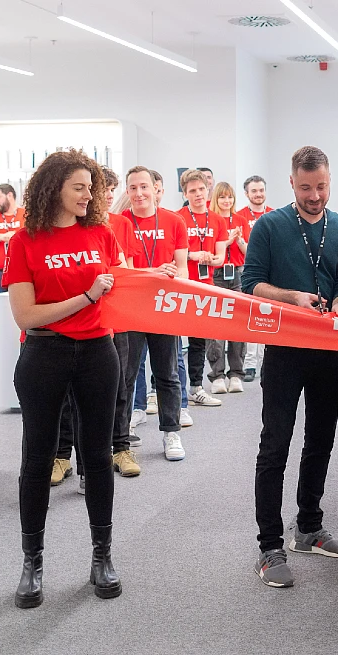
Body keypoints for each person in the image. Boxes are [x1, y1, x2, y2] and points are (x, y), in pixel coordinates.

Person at [4, 150, 125, 608]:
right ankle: (31, 562)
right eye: (80, 186)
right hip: (43, 352)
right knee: (38, 457)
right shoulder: (25, 241)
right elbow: (25, 313)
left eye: (91, 187)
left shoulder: (100, 232)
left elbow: (121, 281)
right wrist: (86, 296)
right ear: (55, 188)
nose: (89, 195)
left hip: (98, 351)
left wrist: (157, 278)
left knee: (97, 456)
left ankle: (102, 557)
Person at [243, 146, 338, 588]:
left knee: (321, 442)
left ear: (331, 181)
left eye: (322, 187)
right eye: (306, 187)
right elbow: (252, 283)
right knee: (275, 445)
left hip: (330, 350)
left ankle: (308, 527)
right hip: (285, 349)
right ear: (291, 183)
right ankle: (269, 546)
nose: (315, 195)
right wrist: (293, 297)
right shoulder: (269, 226)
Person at [54, 168, 142, 488]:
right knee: (68, 396)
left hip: (112, 321)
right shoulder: (65, 229)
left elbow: (126, 274)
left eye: (105, 189)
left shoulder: (117, 226)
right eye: (93, 188)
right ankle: (62, 455)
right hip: (73, 323)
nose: (101, 195)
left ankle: (121, 448)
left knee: (117, 388)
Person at [120, 166, 190, 461]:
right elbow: (121, 270)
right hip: (132, 309)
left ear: (155, 189)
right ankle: (120, 436)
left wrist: (182, 305)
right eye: (133, 188)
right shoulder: (120, 223)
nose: (139, 193)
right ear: (128, 191)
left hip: (165, 308)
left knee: (168, 374)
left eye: (144, 187)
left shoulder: (174, 222)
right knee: (126, 374)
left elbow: (183, 269)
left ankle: (170, 432)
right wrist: (153, 272)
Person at [177, 169, 228, 407]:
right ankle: (161, 389)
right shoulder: (177, 218)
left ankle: (196, 386)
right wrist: (194, 254)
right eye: (192, 191)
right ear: (185, 193)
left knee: (198, 340)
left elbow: (220, 257)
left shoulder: (217, 220)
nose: (197, 194)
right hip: (180, 284)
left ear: (208, 189)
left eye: (201, 190)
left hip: (206, 285)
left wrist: (211, 259)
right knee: (171, 340)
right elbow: (170, 251)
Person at [206, 181, 247, 394]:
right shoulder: (210, 220)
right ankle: (217, 375)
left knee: (238, 325)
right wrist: (227, 241)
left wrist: (237, 240)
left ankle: (236, 373)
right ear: (216, 199)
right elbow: (210, 250)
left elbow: (248, 251)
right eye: (222, 197)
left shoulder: (240, 219)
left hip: (237, 274)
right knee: (216, 327)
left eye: (230, 197)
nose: (226, 201)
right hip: (216, 274)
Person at [235, 175, 273, 382]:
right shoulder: (239, 217)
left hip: (272, 274)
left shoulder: (275, 215)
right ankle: (249, 364)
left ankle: (265, 361)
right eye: (254, 191)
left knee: (270, 318)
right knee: (251, 317)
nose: (258, 194)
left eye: (261, 190)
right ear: (247, 194)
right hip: (248, 272)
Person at [0, 183, 25, 293]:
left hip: (19, 271)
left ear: (9, 195)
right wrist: (2, 237)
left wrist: (16, 236)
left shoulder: (26, 214)